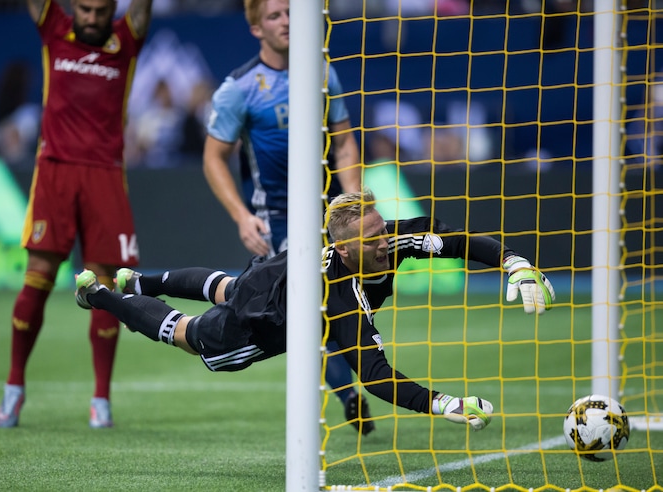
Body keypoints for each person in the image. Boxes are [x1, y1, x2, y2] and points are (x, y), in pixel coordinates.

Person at [73, 189, 556, 432]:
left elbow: (457, 240)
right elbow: (374, 373)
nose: (386, 241)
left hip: (274, 274)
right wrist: (444, 404)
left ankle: (140, 278)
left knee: (224, 283)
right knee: (189, 332)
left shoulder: (391, 238)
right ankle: (101, 296)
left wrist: (514, 262)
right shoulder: (340, 295)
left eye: (383, 229)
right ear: (345, 252)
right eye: (373, 239)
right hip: (265, 320)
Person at [202, 0, 368, 432]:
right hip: (278, 220)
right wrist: (241, 216)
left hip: (329, 212)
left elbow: (346, 142)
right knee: (315, 305)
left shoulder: (321, 71)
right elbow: (214, 158)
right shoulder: (238, 88)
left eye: (291, 12)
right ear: (257, 29)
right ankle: (348, 394)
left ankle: (346, 392)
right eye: (274, 15)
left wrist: (352, 202)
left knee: (334, 306)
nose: (287, 21)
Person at [0, 0, 153, 429]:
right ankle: (14, 388)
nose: (91, 17)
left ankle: (101, 399)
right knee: (37, 280)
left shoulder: (126, 40)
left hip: (105, 176)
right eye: (84, 8)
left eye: (100, 10)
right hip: (56, 173)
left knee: (105, 288)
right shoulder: (54, 29)